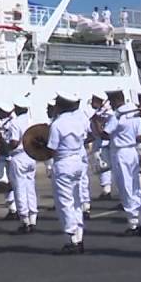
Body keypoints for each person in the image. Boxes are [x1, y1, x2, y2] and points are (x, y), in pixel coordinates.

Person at [48, 93, 89, 254]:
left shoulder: (57, 124)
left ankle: (71, 240)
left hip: (63, 163)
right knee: (77, 201)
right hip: (77, 162)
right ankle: (79, 238)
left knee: (65, 203)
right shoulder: (78, 122)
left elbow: (52, 149)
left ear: (59, 106)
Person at [102, 90, 141, 235]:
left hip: (120, 152)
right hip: (132, 151)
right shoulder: (134, 113)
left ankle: (133, 224)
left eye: (111, 101)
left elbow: (105, 134)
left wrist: (97, 122)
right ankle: (137, 219)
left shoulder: (117, 115)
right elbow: (140, 136)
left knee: (126, 187)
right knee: (134, 186)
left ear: (115, 100)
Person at [4, 99, 38, 233]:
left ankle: (25, 220)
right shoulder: (32, 121)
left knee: (19, 188)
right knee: (30, 187)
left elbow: (13, 142)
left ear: (17, 108)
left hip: (18, 156)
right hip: (31, 155)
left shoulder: (15, 123)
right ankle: (33, 218)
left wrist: (3, 144)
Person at [88, 92, 114, 200]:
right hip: (98, 141)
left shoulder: (108, 113)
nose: (92, 102)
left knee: (103, 166)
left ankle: (107, 190)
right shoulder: (99, 112)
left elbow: (104, 130)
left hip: (104, 143)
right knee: (100, 166)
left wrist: (98, 121)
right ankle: (105, 188)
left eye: (94, 100)